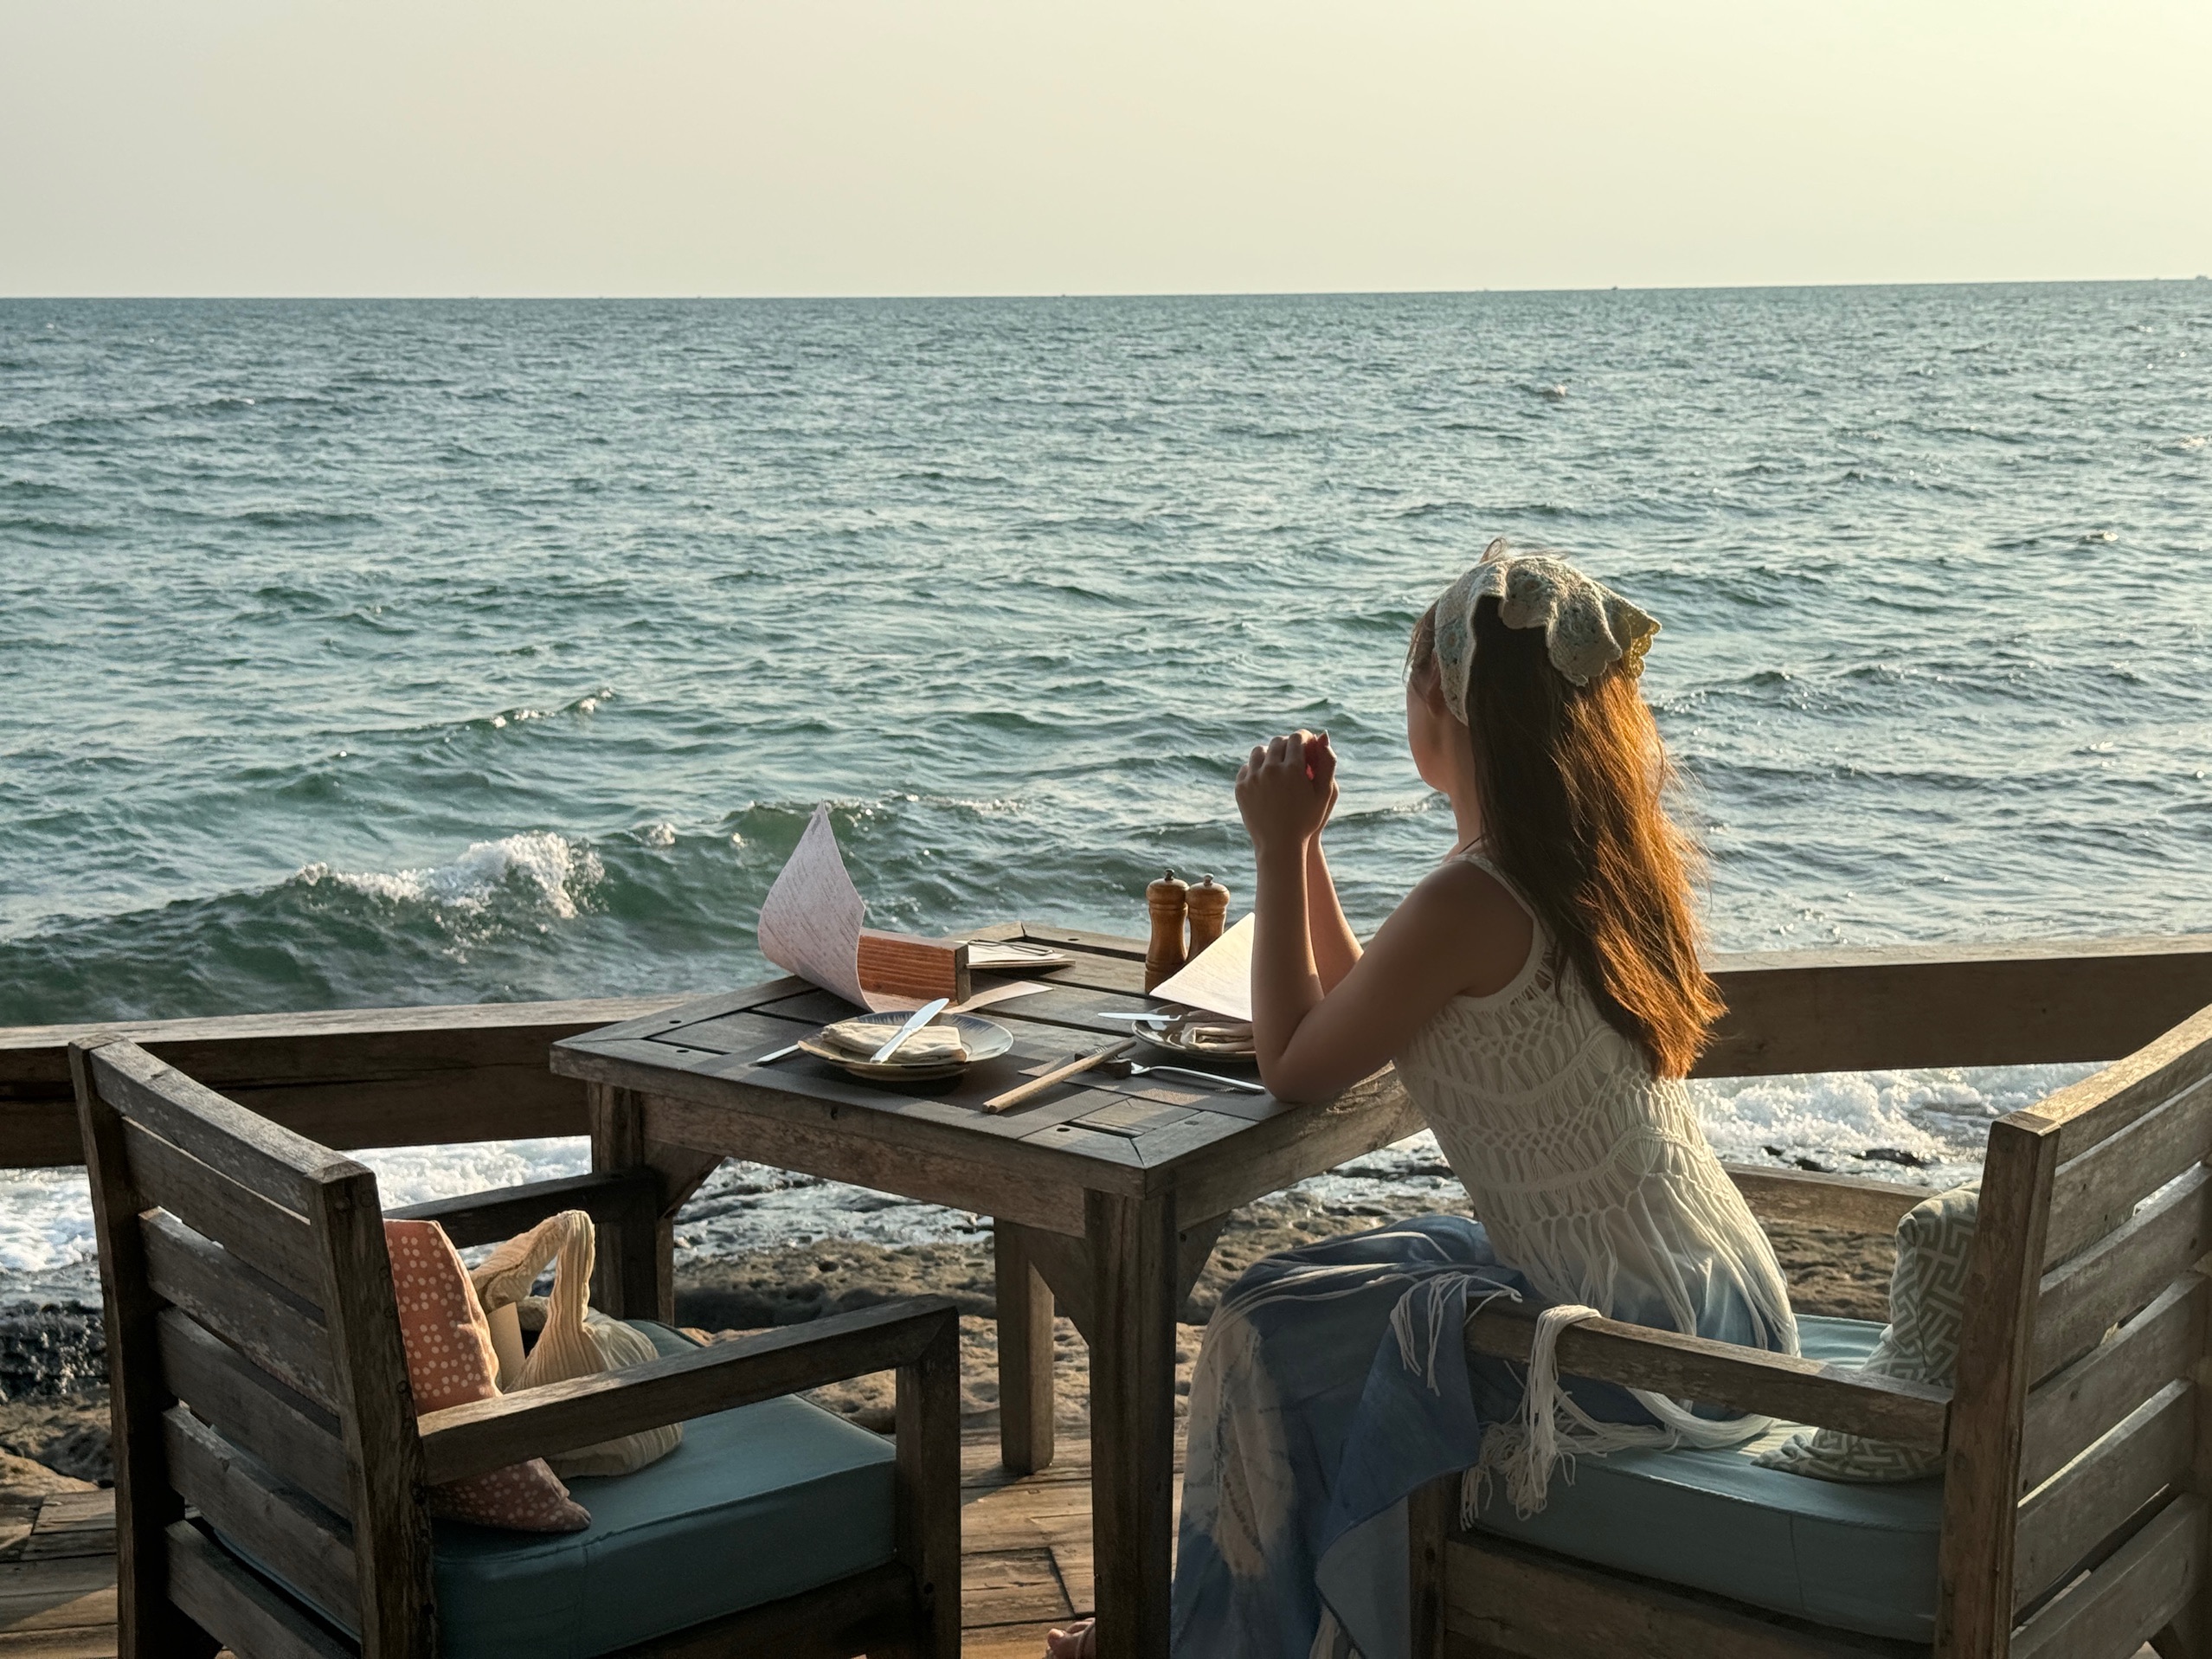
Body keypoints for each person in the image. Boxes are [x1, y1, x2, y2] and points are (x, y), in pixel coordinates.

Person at [1047, 541, 1796, 1659]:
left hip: (1633, 1351)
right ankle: (1230, 1623)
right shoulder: (1599, 860)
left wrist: (1274, 844)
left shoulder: (1473, 892)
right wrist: (1311, 857)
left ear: (1444, 704)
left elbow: (1295, 1064)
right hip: (1712, 1293)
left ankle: (1209, 1640)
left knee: (1262, 1329)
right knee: (1311, 1290)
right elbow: (1369, 1001)